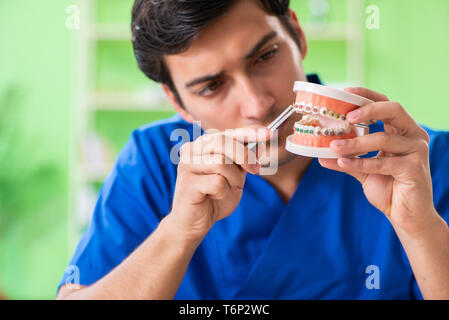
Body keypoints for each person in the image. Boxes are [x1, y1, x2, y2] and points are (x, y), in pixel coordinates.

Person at [57, 0, 449, 299]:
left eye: (265, 56)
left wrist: (421, 230)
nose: (257, 105)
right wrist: (178, 233)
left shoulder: (417, 160)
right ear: (176, 100)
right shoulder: (154, 160)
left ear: (297, 34)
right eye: (212, 87)